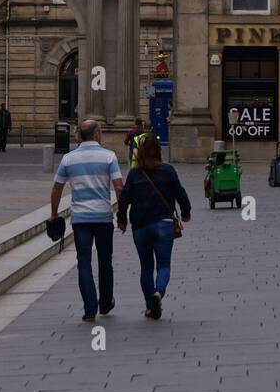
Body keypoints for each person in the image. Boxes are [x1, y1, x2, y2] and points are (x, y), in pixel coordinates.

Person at [51, 119, 124, 324]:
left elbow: (57, 189)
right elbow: (118, 187)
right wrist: (123, 214)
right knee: (105, 262)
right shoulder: (109, 156)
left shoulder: (68, 159)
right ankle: (106, 302)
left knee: (83, 262)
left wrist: (54, 214)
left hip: (80, 218)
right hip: (102, 217)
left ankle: (89, 308)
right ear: (97, 134)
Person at [117, 133, 190, 321]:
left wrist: (122, 219)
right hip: (163, 224)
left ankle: (150, 306)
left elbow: (124, 199)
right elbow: (180, 193)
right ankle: (159, 293)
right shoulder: (168, 170)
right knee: (164, 264)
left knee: (146, 267)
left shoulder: (134, 173)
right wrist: (186, 212)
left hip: (140, 226)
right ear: (158, 151)